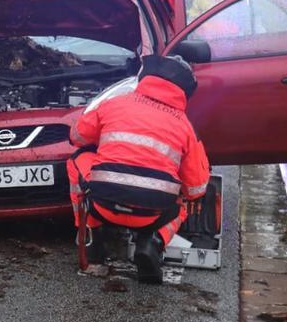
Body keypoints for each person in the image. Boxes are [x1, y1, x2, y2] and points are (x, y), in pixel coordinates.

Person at [66, 55, 211, 284]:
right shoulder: (185, 126)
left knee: (76, 159)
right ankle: (153, 241)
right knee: (183, 200)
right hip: (151, 215)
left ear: (144, 78)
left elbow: (76, 137)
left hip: (102, 205)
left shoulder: (114, 103)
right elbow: (196, 188)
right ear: (185, 91)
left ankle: (90, 235)